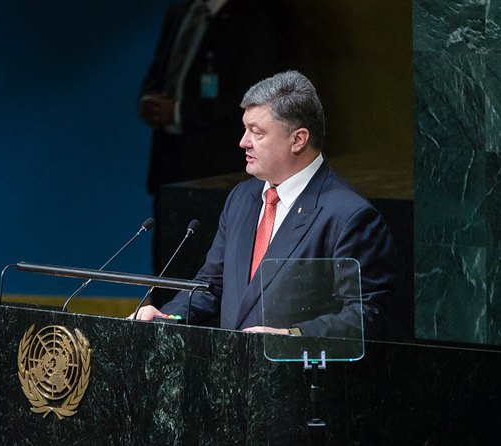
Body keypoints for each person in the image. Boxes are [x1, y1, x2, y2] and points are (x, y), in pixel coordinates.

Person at [131, 71, 399, 339]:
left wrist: (290, 336)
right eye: (245, 129)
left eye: (256, 132)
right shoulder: (241, 198)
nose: (243, 142)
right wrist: (170, 315)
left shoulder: (348, 215)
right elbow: (212, 285)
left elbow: (367, 313)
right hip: (233, 373)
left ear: (298, 140)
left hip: (299, 375)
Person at [139, 0, 286, 279]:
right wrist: (147, 100)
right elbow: (159, 68)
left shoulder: (253, 18)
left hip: (217, 171)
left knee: (208, 271)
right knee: (167, 269)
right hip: (168, 165)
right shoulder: (181, 10)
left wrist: (180, 111)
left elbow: (255, 98)